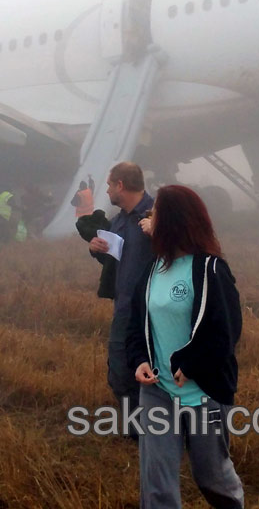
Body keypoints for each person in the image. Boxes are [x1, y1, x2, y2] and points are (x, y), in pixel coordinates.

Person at [126, 185, 244, 508]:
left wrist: (189, 364)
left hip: (203, 393)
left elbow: (226, 332)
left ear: (173, 220)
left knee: (212, 478)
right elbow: (137, 326)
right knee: (157, 484)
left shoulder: (211, 270)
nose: (150, 218)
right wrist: (138, 359)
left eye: (156, 213)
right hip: (157, 391)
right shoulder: (152, 271)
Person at [88, 162, 154, 414]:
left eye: (109, 185)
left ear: (121, 185)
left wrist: (159, 231)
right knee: (119, 373)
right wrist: (96, 249)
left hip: (152, 311)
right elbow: (114, 261)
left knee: (151, 372)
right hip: (124, 308)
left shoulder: (157, 215)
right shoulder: (119, 221)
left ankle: (154, 429)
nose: (106, 192)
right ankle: (139, 428)